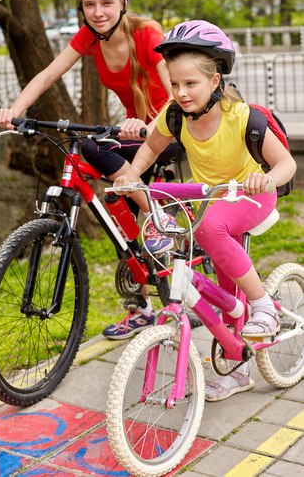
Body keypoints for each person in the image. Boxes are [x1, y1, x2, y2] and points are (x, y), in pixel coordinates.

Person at [113, 20, 297, 400]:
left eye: (190, 84)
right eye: (175, 84)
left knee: (211, 230)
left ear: (214, 82)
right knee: (225, 283)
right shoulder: (175, 115)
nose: (180, 92)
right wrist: (131, 174)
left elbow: (287, 166)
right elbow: (150, 148)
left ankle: (263, 305)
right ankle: (239, 366)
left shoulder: (243, 118)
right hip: (212, 199)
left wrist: (265, 179)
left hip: (251, 195)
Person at [0, 0, 180, 339]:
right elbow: (49, 74)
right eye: (89, 4)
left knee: (96, 152)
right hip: (133, 134)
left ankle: (156, 216)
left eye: (106, 3)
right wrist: (15, 111)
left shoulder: (148, 34)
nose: (97, 12)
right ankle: (142, 304)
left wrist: (147, 125)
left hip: (168, 129)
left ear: (123, 1)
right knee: (91, 158)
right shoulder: (90, 37)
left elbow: (175, 93)